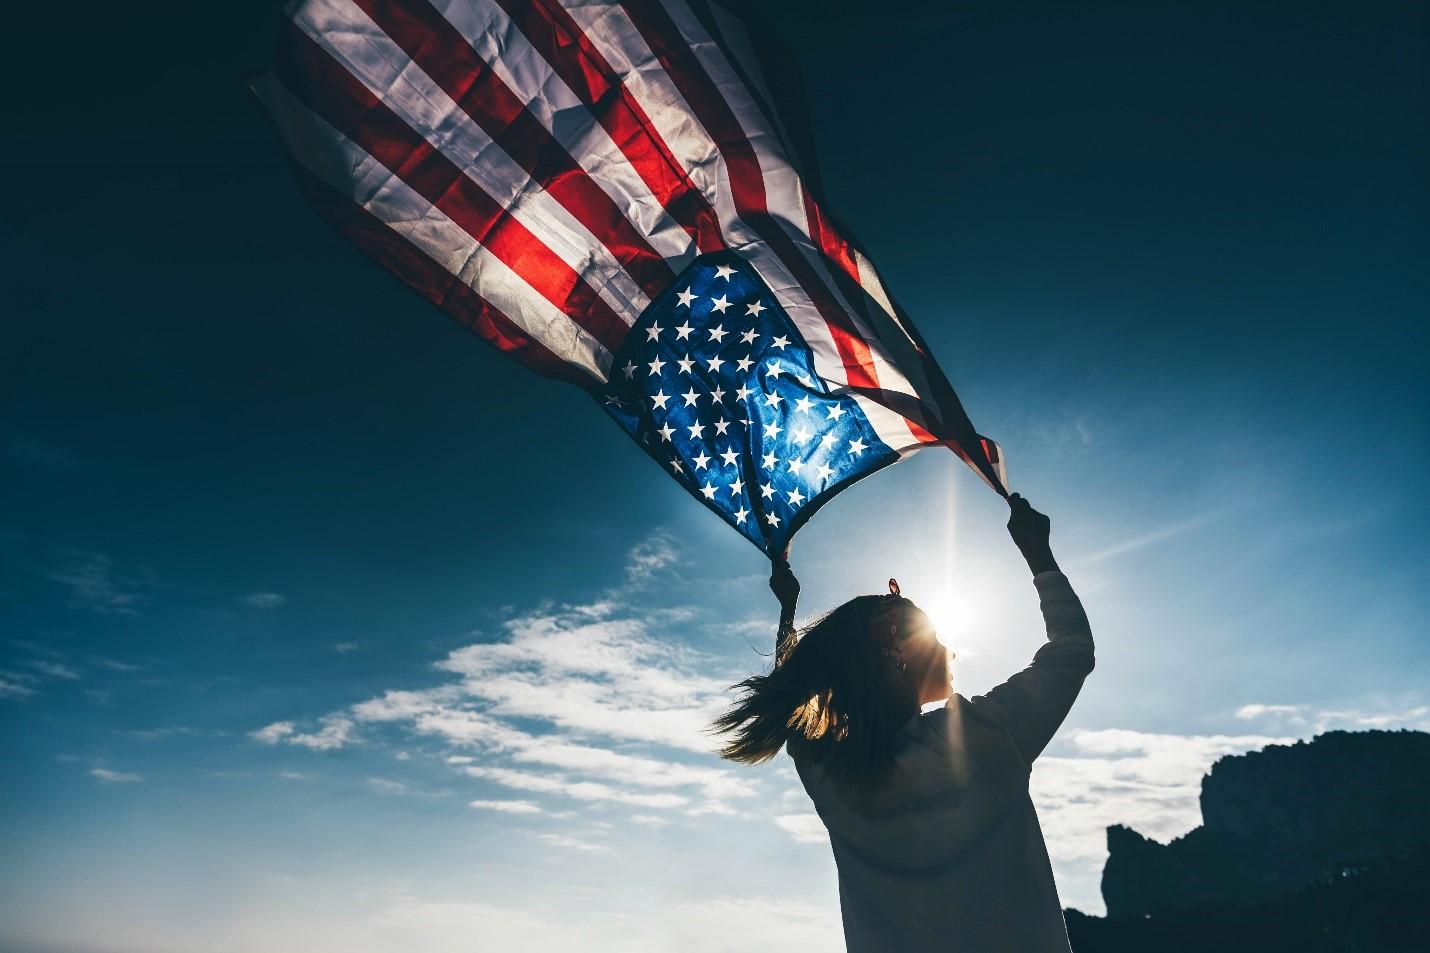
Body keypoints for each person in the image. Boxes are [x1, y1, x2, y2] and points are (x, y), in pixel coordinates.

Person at [712, 494, 1094, 953]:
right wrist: (1038, 554)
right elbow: (1071, 651)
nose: (949, 650)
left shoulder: (830, 774)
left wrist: (787, 613)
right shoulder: (981, 738)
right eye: (933, 637)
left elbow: (790, 708)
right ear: (897, 655)